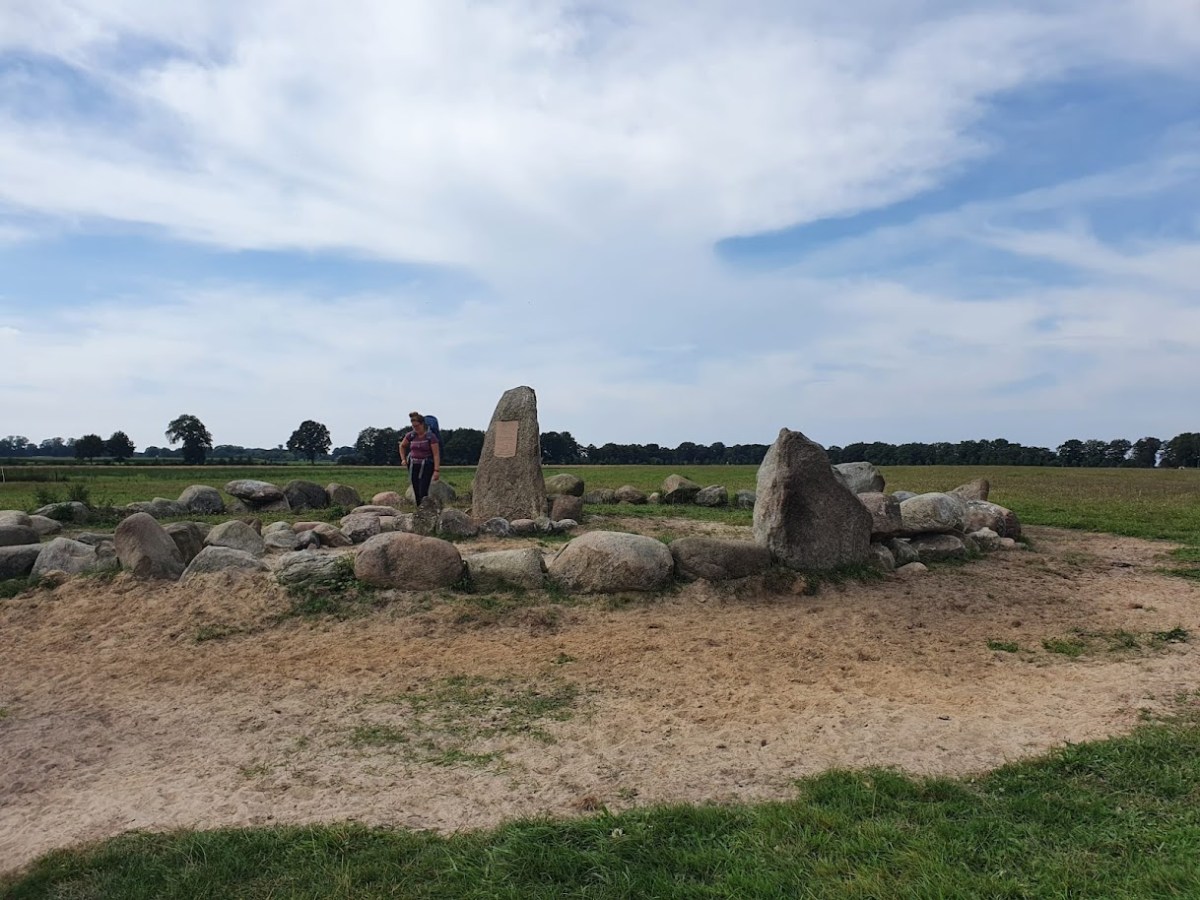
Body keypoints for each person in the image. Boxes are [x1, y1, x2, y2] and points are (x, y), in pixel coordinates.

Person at [398, 411, 441, 505]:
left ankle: (425, 508)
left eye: (417, 426)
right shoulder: (411, 435)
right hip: (413, 465)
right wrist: (403, 459)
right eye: (413, 426)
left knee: (423, 490)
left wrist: (436, 470)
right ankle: (419, 509)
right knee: (416, 490)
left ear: (422, 424)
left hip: (426, 465)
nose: (415, 428)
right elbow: (402, 446)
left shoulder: (430, 437)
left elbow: (436, 454)